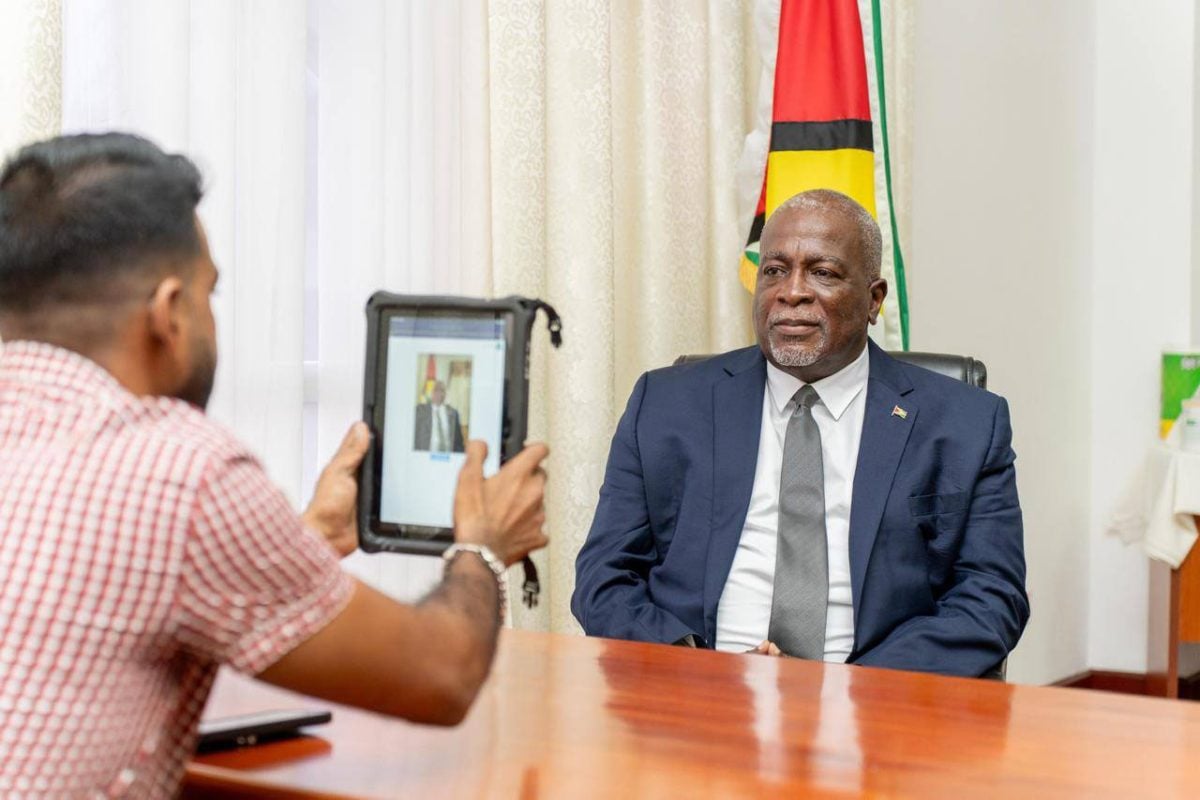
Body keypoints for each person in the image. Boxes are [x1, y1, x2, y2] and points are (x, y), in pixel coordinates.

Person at [0, 132, 549, 797]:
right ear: (169, 311)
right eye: (212, 293)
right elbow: (443, 675)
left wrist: (307, 533)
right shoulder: (181, 472)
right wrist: (485, 547)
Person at [572, 188, 1028, 678]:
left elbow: (990, 598)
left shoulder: (964, 424)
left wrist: (845, 691)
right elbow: (605, 578)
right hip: (699, 697)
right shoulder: (665, 405)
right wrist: (698, 670)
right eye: (774, 270)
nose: (792, 291)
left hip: (876, 709)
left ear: (874, 299)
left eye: (823, 273)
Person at [415, 379, 466, 452]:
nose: (439, 393)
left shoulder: (453, 414)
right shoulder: (420, 411)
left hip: (447, 459)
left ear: (446, 394)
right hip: (425, 457)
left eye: (442, 390)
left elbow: (459, 444)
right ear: (431, 392)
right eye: (436, 390)